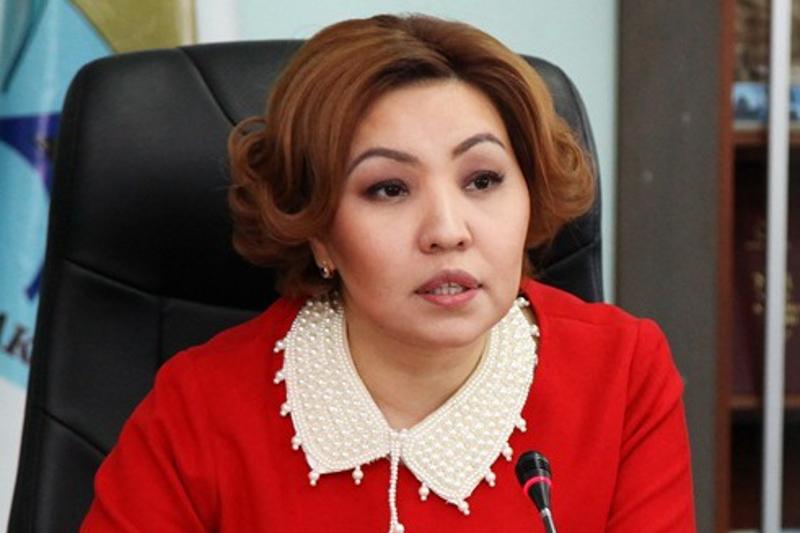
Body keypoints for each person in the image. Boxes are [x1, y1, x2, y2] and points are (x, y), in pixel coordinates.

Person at [81, 13, 695, 532]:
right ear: (318, 228)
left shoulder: (622, 375)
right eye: (389, 189)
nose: (447, 230)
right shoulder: (199, 407)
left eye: (483, 180)